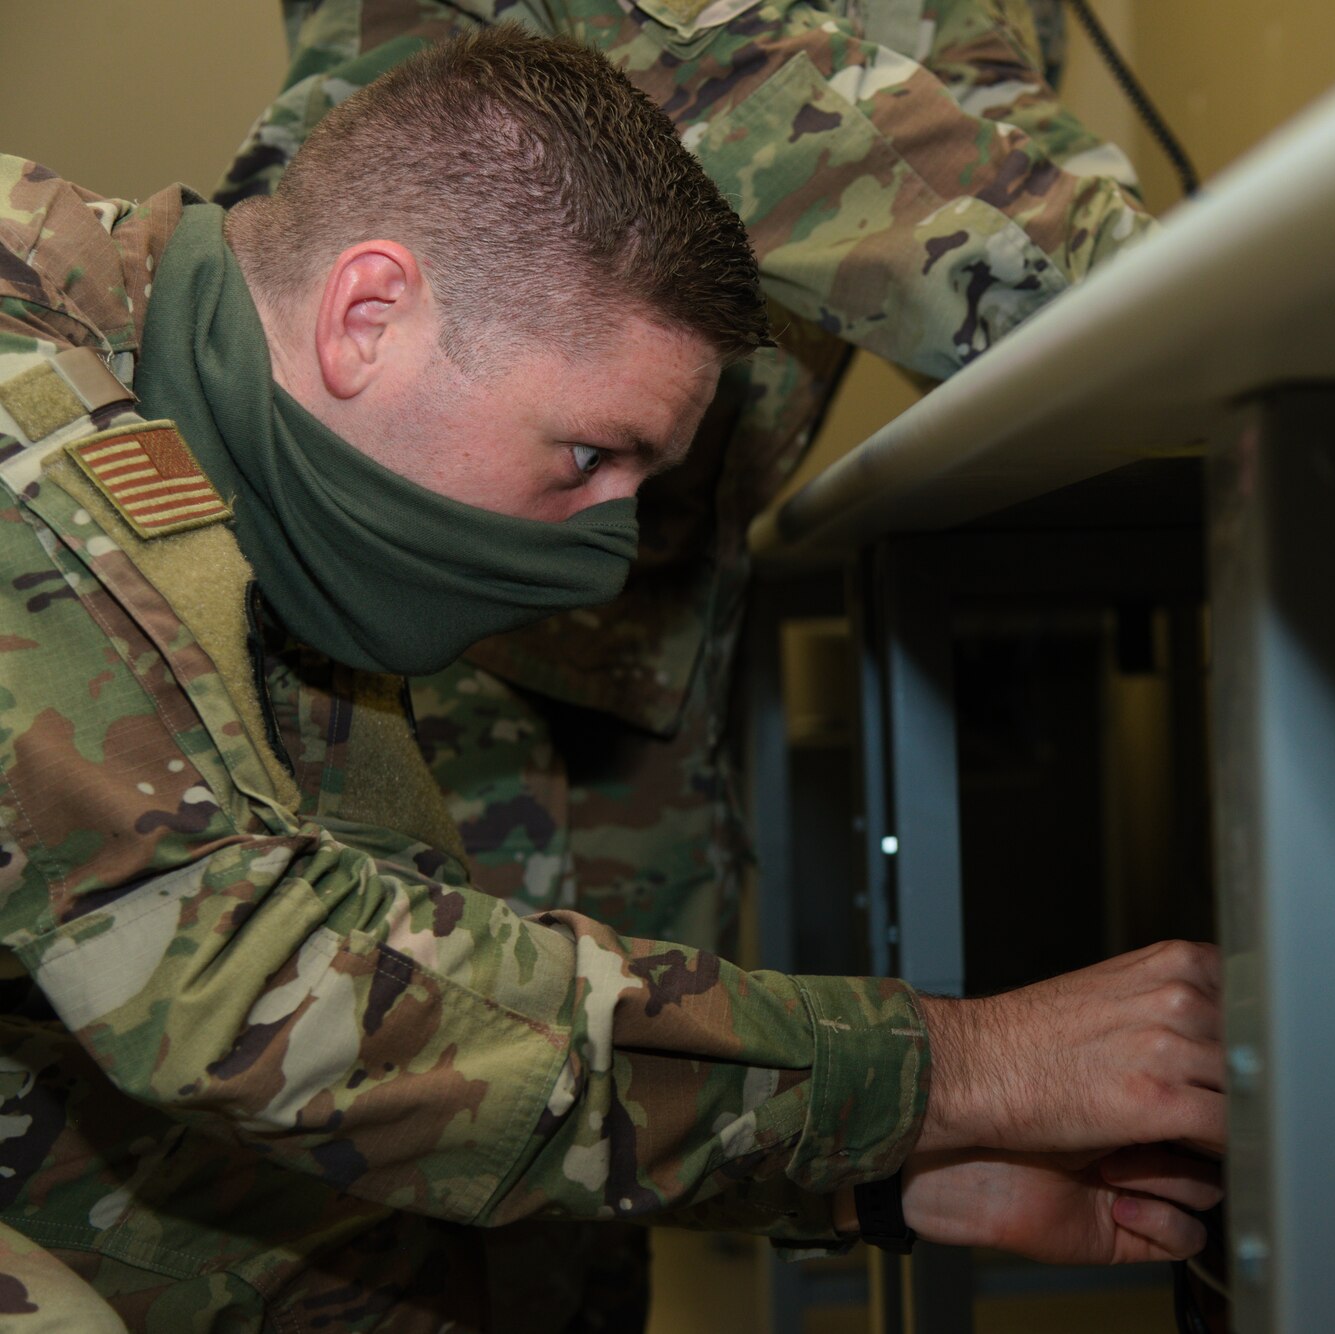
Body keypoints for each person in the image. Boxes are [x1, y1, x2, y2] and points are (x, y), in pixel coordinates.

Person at [0, 28, 1220, 1332]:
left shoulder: (276, 497)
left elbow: (425, 1053)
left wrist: (881, 1179)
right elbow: (265, 999)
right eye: (586, 455)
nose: (604, 552)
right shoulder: (32, 433)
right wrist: (967, 1068)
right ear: (371, 316)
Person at [211, 0, 1161, 965]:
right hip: (397, 604)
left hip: (598, 625)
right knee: (447, 1035)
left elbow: (987, 127)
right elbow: (790, 113)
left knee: (624, 1032)